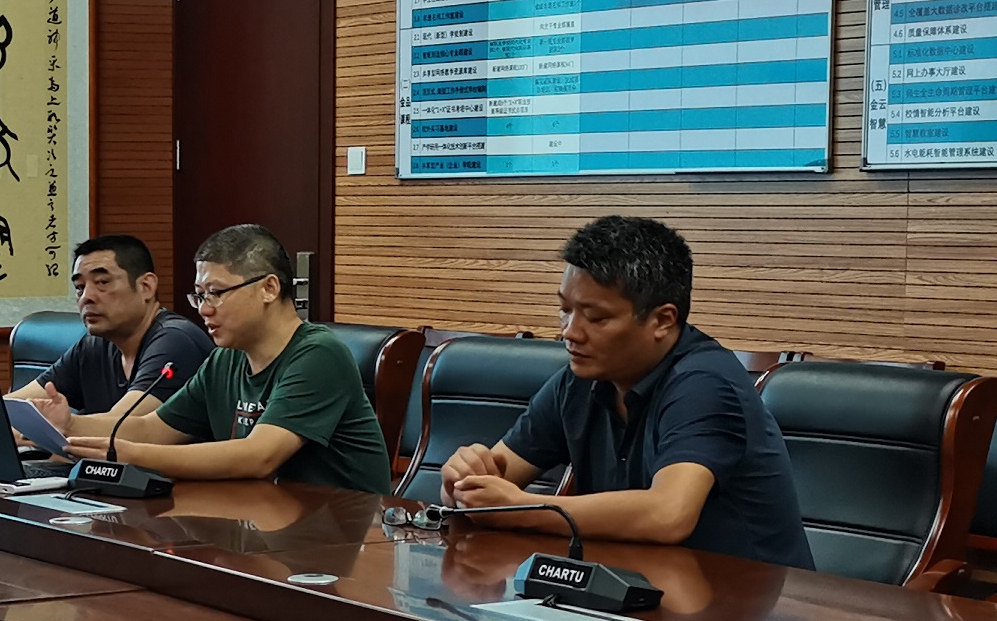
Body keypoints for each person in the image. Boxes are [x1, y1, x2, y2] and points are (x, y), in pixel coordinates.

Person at [439, 215, 814, 566]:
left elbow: (669, 514)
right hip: (635, 586)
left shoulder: (705, 383)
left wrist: (524, 509)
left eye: (595, 317)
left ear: (662, 320)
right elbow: (493, 485)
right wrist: (461, 484)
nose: (570, 332)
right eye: (565, 309)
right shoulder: (579, 380)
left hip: (752, 600)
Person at [46, 225, 392, 492]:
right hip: (264, 524)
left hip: (343, 532)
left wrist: (131, 455)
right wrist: (69, 426)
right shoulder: (226, 359)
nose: (204, 309)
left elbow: (259, 456)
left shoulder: (318, 354)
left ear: (269, 288)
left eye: (216, 293)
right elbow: (152, 428)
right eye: (199, 295)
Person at [9, 234, 211, 429]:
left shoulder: (176, 341)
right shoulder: (94, 344)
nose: (86, 297)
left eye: (102, 283)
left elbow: (122, 427)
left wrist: (49, 427)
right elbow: (14, 405)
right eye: (79, 287)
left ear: (146, 286)